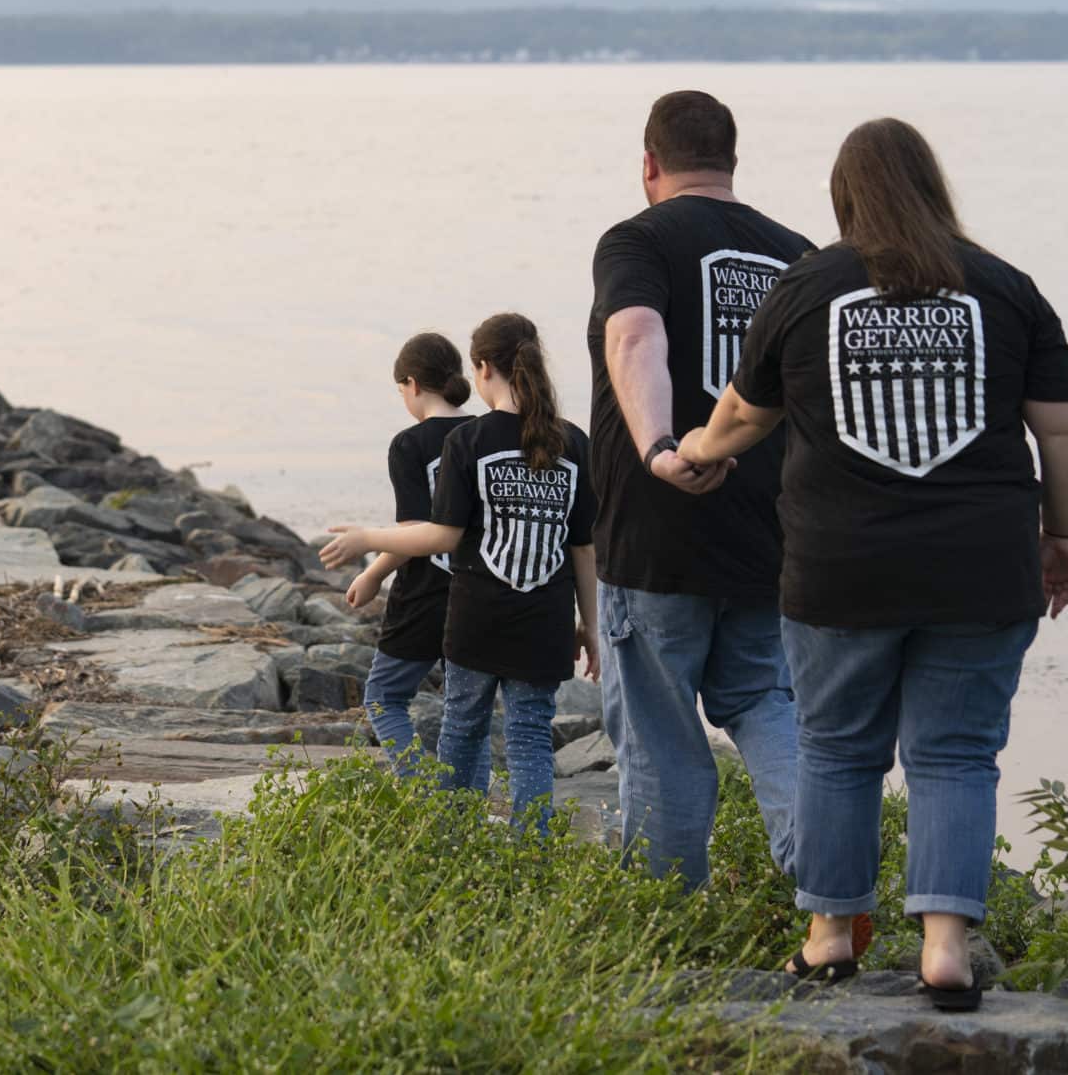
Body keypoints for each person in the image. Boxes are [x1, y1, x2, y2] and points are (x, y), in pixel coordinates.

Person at [678, 117, 1068, 1010]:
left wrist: (696, 451)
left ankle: (829, 937)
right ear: (932, 187)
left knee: (835, 747)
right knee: (954, 753)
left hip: (840, 571)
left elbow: (743, 415)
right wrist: (1061, 533)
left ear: (844, 197)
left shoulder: (806, 286)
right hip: (982, 567)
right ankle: (945, 947)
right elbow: (1064, 429)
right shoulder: (1007, 288)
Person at [586, 90, 811, 889]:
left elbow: (635, 332)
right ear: (733, 164)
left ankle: (664, 912)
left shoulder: (636, 240)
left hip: (655, 537)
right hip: (771, 537)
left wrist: (657, 447)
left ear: (648, 163)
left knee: (657, 729)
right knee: (765, 701)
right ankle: (826, 875)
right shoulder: (800, 255)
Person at [322, 314, 598, 830]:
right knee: (530, 742)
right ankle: (530, 860)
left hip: (477, 618)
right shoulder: (575, 443)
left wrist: (368, 540)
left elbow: (442, 535)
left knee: (463, 731)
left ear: (484, 368)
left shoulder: (469, 442)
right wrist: (591, 627)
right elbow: (583, 548)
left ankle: (451, 841)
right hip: (546, 620)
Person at [343, 333, 474, 769]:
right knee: (465, 710)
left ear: (412, 384)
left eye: (400, 389)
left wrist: (372, 572)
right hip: (480, 590)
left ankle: (419, 791)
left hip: (423, 594)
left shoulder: (409, 444)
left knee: (383, 696)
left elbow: (413, 532)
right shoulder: (483, 433)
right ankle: (463, 807)